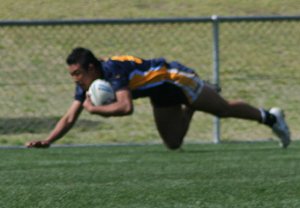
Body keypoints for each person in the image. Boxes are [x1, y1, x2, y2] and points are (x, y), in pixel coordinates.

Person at [26, 47, 291, 149]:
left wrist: (95, 111)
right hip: (159, 92)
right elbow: (71, 115)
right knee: (173, 144)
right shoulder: (88, 84)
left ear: (91, 68)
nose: (74, 78)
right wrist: (48, 141)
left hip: (174, 78)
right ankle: (194, 106)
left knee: (222, 110)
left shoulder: (112, 70)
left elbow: (125, 107)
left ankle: (271, 117)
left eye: (76, 73)